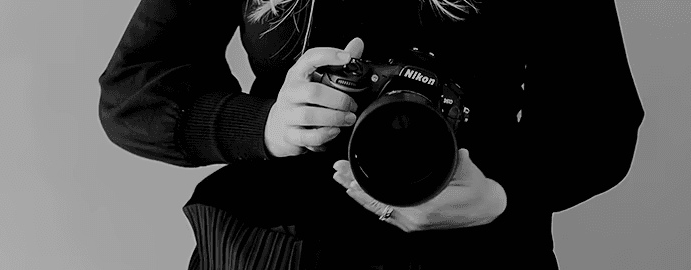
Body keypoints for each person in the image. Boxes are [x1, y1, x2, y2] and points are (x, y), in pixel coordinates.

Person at [98, 0, 643, 269]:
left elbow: (602, 119)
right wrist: (266, 124)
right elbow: (133, 92)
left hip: (480, 251)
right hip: (270, 246)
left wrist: (502, 194)